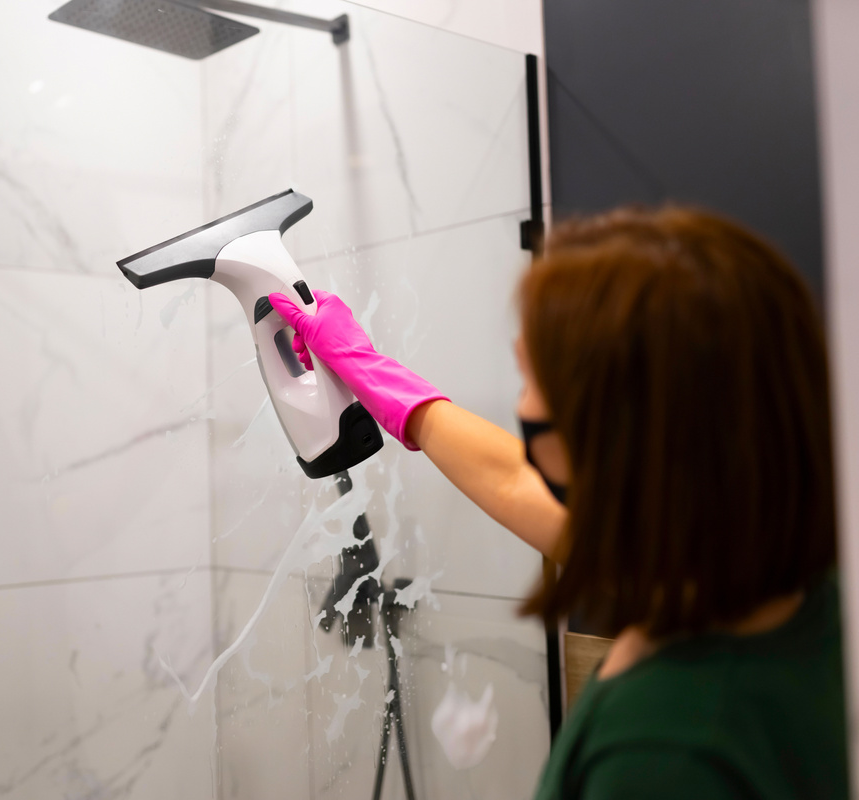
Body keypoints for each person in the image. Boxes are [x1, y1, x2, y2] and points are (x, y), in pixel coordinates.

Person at [268, 207, 847, 799]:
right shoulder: (764, 583)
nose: (524, 396)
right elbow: (517, 481)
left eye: (535, 376)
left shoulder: (662, 755)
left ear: (617, 437)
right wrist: (374, 374)